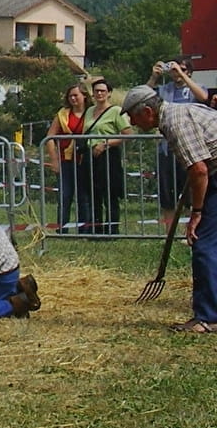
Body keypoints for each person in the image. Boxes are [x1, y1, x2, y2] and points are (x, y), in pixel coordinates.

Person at [121, 84, 217, 332]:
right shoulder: (174, 115)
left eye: (132, 115)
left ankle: (208, 317)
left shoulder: (174, 122)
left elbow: (199, 170)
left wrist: (196, 213)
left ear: (147, 112)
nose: (131, 121)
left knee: (203, 243)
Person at [150, 61, 201, 227]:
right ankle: (169, 233)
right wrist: (154, 77)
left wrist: (183, 75)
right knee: (167, 194)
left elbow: (203, 97)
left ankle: (191, 231)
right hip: (167, 148)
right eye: (173, 69)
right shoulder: (165, 89)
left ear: (190, 72)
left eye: (181, 69)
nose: (176, 73)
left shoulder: (194, 87)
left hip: (190, 147)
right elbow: (143, 96)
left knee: (191, 193)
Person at [82, 77, 130, 235]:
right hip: (91, 155)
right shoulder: (89, 111)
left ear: (109, 93)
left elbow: (127, 134)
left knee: (110, 193)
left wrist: (106, 143)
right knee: (93, 193)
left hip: (109, 155)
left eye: (103, 91)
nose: (99, 93)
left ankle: (112, 229)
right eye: (96, 91)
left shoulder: (116, 111)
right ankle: (97, 228)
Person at [45, 84, 91, 233]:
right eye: (70, 96)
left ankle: (85, 230)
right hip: (66, 160)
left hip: (85, 160)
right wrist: (54, 160)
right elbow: (50, 137)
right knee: (65, 196)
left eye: (76, 95)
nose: (73, 98)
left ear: (84, 96)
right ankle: (62, 229)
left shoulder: (92, 113)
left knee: (84, 196)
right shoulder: (62, 114)